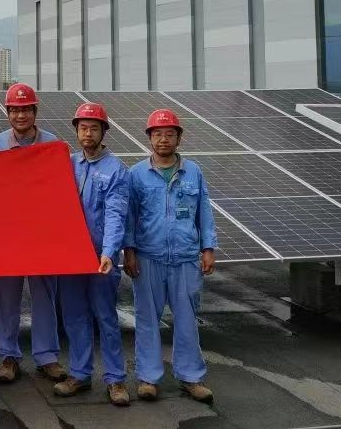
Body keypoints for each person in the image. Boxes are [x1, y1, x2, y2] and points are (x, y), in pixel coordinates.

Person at [124, 109, 218, 404]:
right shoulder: (136, 174)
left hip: (185, 257)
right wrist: (129, 251)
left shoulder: (194, 172)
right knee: (147, 320)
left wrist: (208, 248)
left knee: (187, 320)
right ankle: (148, 378)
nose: (163, 139)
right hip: (148, 256)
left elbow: (204, 211)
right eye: (157, 134)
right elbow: (129, 217)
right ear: (149, 138)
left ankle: (191, 378)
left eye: (169, 134)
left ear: (179, 138)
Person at [0, 82, 66, 385]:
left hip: (42, 237)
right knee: (7, 299)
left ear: (35, 111)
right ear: (7, 112)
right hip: (7, 238)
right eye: (15, 110)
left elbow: (60, 191)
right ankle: (8, 356)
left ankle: (47, 357)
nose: (20, 116)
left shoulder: (52, 145)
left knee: (45, 297)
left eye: (26, 110)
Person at [53, 103, 130, 405]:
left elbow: (115, 215)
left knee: (106, 318)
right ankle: (80, 374)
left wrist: (109, 252)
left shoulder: (116, 170)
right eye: (83, 128)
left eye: (94, 128)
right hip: (70, 258)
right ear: (76, 131)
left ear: (103, 132)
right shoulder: (66, 164)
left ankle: (116, 379)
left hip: (100, 258)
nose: (88, 133)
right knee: (75, 317)